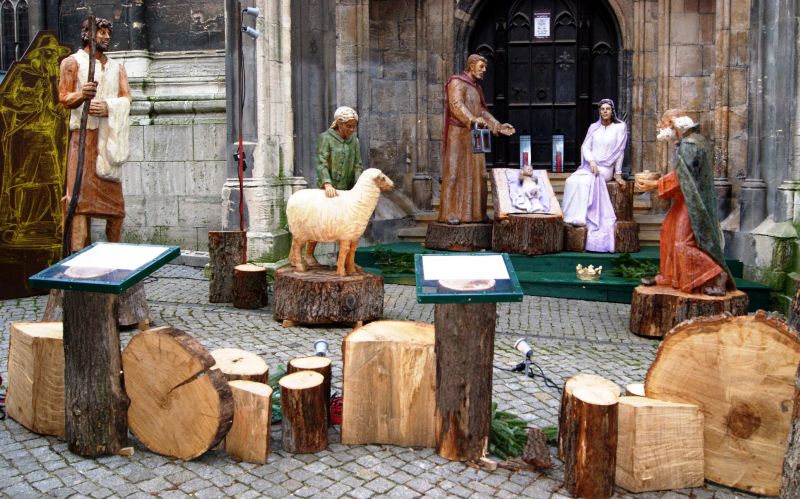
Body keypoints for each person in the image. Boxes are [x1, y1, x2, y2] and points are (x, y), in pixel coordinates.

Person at [635, 109, 733, 296]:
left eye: (663, 122)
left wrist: (656, 184)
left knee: (682, 242)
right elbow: (683, 173)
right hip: (685, 198)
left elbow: (682, 176)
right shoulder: (688, 142)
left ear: (673, 123)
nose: (659, 126)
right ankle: (669, 277)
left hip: (693, 201)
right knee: (668, 232)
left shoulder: (690, 144)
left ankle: (717, 275)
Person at [58, 17, 131, 252]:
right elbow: (64, 98)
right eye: (102, 32)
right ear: (88, 34)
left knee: (116, 207)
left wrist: (109, 107)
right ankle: (78, 256)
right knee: (79, 202)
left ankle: (116, 253)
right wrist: (82, 95)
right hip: (83, 140)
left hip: (107, 140)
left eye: (108, 33)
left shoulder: (117, 67)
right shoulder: (71, 63)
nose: (107, 37)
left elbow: (126, 98)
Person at [439, 54, 515, 225]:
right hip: (458, 134)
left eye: (485, 67)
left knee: (478, 174)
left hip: (474, 135)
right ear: (471, 65)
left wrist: (498, 126)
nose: (484, 70)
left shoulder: (476, 88)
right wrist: (472, 119)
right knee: (454, 172)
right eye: (481, 66)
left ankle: (476, 214)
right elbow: (456, 105)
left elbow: (482, 112)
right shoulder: (456, 82)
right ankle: (450, 213)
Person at [561, 99, 627, 252]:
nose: (605, 111)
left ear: (612, 111)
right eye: (602, 109)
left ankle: (583, 217)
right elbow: (585, 147)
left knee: (585, 182)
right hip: (590, 166)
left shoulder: (619, 127)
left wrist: (618, 174)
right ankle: (569, 217)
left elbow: (620, 151)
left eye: (608, 109)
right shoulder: (593, 127)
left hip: (606, 168)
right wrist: (591, 161)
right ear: (599, 111)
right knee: (571, 180)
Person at [305, 106, 363, 268]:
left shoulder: (354, 141)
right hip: (328, 190)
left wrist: (359, 185)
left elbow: (358, 165)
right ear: (339, 123)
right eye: (349, 126)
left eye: (354, 126)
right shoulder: (326, 138)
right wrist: (327, 183)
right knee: (320, 221)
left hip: (347, 190)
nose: (352, 130)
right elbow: (321, 162)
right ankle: (308, 254)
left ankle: (346, 260)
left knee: (347, 225)